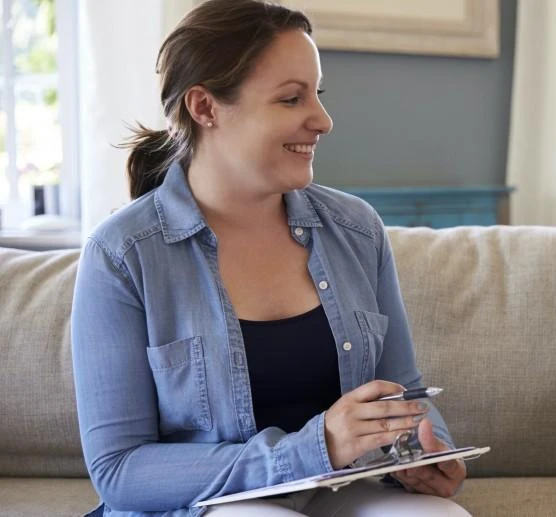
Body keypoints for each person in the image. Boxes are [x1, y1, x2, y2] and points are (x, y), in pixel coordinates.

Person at [70, 1, 469, 515]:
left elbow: (403, 392)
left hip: (339, 487)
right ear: (206, 108)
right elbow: (119, 470)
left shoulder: (355, 230)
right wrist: (311, 449)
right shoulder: (123, 255)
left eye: (317, 94)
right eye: (290, 99)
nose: (322, 119)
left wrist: (422, 449)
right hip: (203, 504)